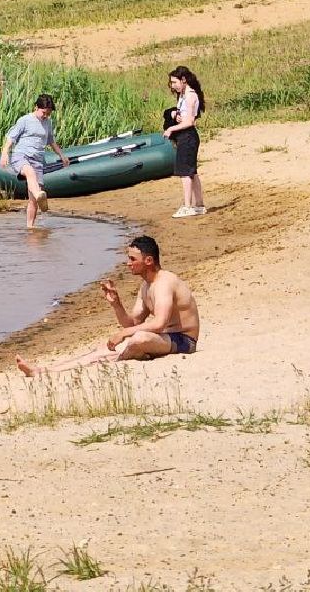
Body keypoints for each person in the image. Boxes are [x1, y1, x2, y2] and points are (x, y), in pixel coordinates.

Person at [16, 235, 199, 376]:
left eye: (132, 259)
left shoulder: (164, 282)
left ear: (149, 261)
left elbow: (159, 323)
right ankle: (43, 371)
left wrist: (123, 334)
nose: (128, 264)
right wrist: (116, 304)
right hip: (165, 338)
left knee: (138, 338)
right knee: (105, 347)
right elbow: (132, 323)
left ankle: (116, 359)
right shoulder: (146, 285)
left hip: (183, 341)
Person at [0, 94, 72, 230]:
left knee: (33, 200)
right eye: (44, 112)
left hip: (37, 160)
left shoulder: (48, 123)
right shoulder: (25, 120)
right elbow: (11, 138)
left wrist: (62, 155)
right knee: (30, 173)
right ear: (36, 107)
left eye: (48, 114)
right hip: (21, 156)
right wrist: (4, 153)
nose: (46, 116)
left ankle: (30, 227)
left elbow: (51, 141)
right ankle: (39, 194)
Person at [164, 66, 206, 218]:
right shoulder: (184, 95)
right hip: (186, 137)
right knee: (191, 172)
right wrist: (175, 114)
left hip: (188, 137)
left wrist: (171, 129)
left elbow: (189, 122)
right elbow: (184, 115)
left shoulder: (189, 96)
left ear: (183, 80)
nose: (173, 86)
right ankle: (199, 205)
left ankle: (188, 206)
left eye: (175, 82)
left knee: (185, 173)